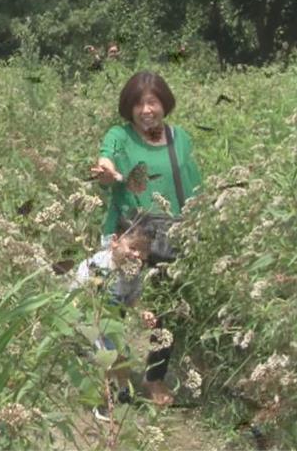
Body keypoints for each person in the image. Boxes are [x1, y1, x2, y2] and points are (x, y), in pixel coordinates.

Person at [89, 70, 203, 406]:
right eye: (138, 103)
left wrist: (201, 221)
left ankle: (154, 379)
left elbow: (193, 181)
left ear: (164, 103)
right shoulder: (120, 136)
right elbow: (106, 165)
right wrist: (106, 172)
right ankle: (116, 378)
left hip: (172, 233)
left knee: (164, 312)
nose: (146, 109)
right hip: (127, 234)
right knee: (114, 306)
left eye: (152, 102)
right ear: (129, 108)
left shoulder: (179, 137)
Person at [70, 226, 159, 420]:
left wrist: (142, 312)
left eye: (143, 251)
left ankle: (124, 390)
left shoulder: (134, 274)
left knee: (123, 355)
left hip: (112, 321)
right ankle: (102, 403)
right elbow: (77, 299)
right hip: (87, 318)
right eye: (133, 247)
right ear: (115, 241)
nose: (136, 255)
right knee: (107, 357)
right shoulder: (94, 265)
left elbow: (134, 299)